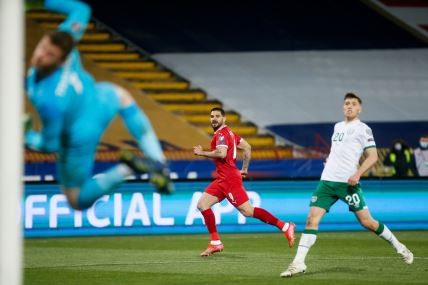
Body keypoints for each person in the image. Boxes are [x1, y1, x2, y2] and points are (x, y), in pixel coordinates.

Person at [25, 0, 173, 210]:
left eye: (49, 55)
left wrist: (26, 136)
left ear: (60, 61)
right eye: (42, 48)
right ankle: (159, 163)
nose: (41, 55)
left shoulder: (48, 100)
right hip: (100, 97)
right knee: (123, 96)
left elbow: (50, 145)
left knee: (76, 200)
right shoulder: (65, 40)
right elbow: (81, 10)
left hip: (80, 134)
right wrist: (42, 2)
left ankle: (126, 170)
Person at [280, 93, 414, 278]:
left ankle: (400, 247)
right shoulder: (337, 127)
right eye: (346, 103)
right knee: (311, 220)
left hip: (348, 183)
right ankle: (298, 263)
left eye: (353, 104)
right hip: (327, 181)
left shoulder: (363, 129)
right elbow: (338, 151)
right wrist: (329, 160)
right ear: (343, 107)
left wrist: (358, 174)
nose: (349, 106)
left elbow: (373, 156)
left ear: (360, 108)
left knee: (367, 222)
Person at [193, 107, 295, 256]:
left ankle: (285, 226)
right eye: (212, 116)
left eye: (217, 116)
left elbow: (221, 153)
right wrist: (244, 169)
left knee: (248, 211)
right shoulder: (230, 134)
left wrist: (202, 153)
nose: (214, 119)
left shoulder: (221, 134)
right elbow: (247, 147)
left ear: (224, 118)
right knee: (202, 204)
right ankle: (215, 243)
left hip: (228, 179)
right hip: (224, 177)